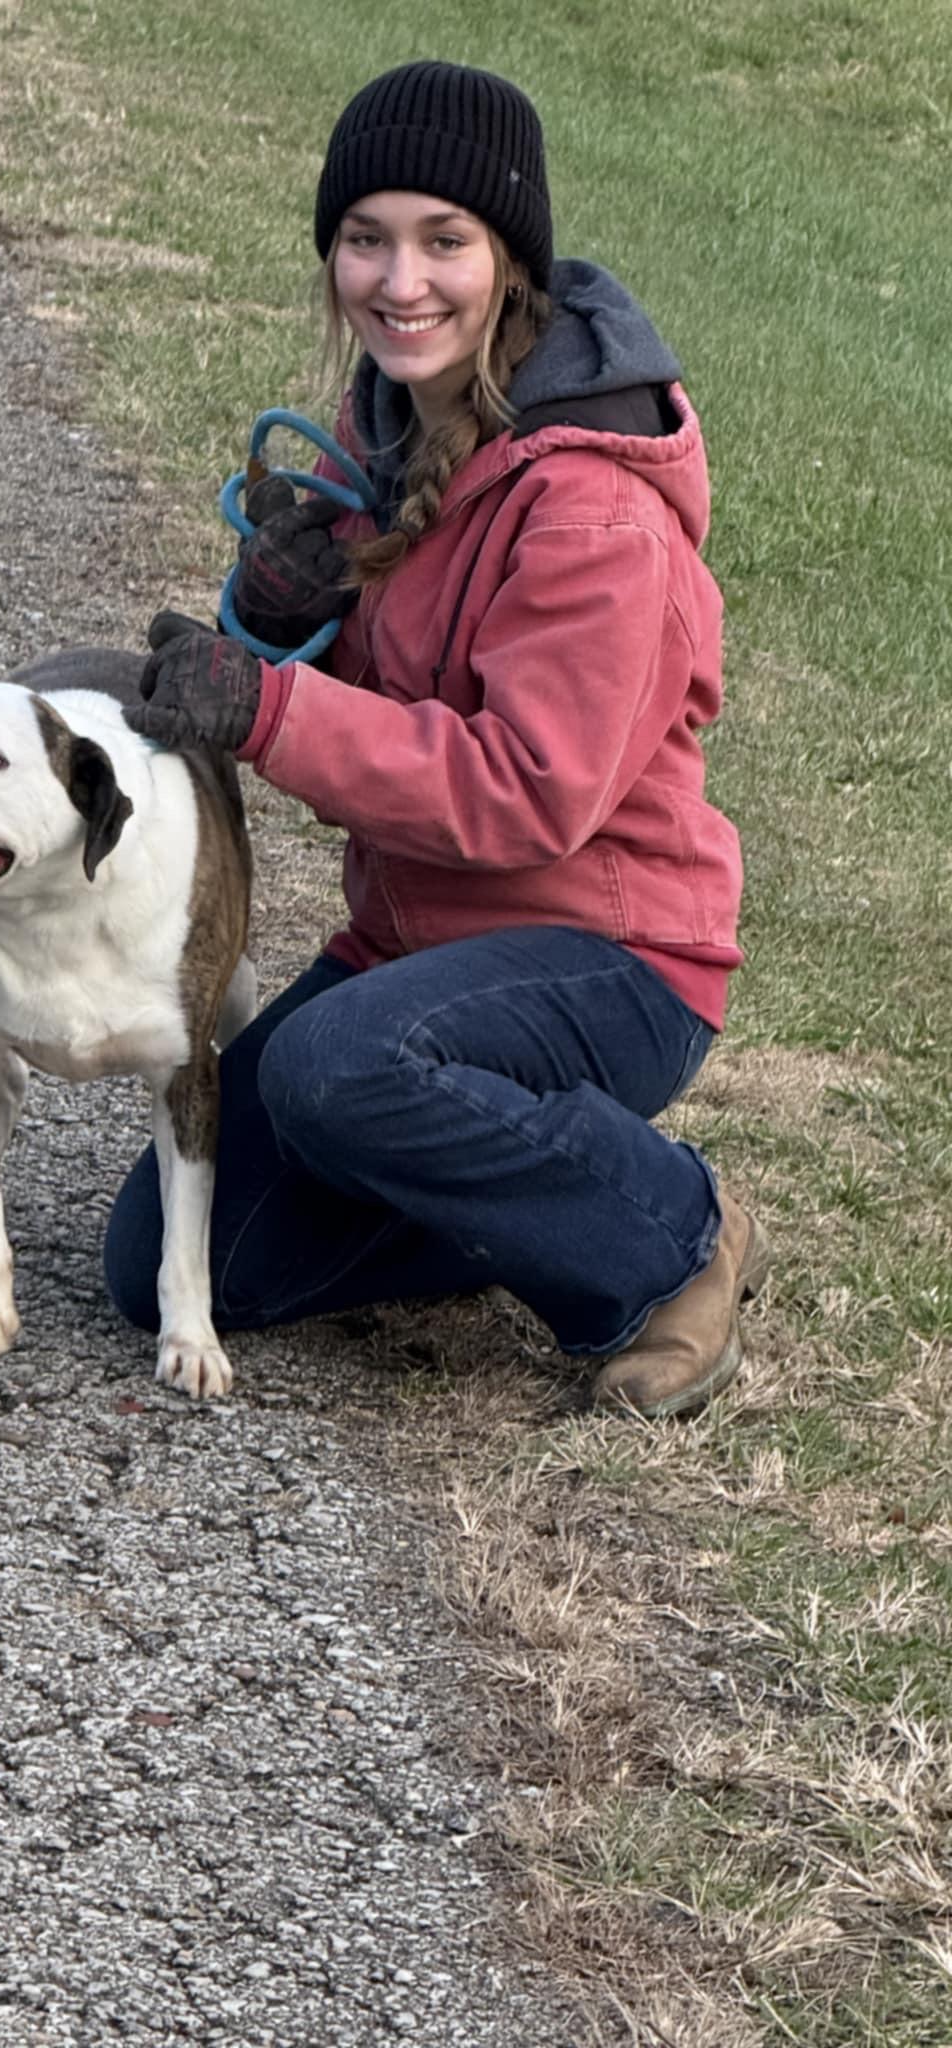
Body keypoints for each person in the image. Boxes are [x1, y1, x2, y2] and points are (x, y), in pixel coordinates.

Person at [105, 59, 768, 1416]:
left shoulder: (591, 508)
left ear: (509, 260)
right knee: (162, 1267)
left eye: (444, 241)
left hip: (614, 958)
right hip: (419, 947)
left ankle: (672, 1237)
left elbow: (530, 791)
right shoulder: (405, 431)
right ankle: (505, 1187)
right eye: (365, 239)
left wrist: (274, 708)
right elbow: (413, 688)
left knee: (334, 1070)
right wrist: (301, 614)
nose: (400, 281)